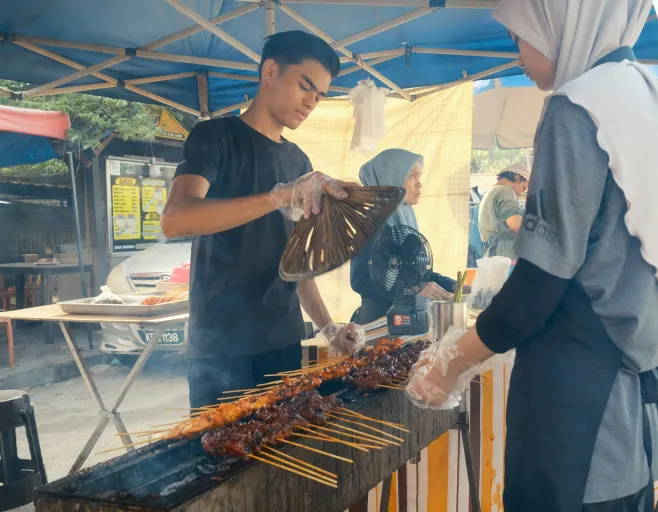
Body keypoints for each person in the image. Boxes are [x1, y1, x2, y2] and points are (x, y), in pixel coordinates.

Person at [405, 1, 658, 511]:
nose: (517, 55)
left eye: (519, 37)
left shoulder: (576, 107)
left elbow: (537, 287)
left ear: (560, 19)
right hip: (632, 425)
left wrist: (451, 363)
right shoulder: (649, 97)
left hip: (577, 423)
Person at [161, 30, 363, 408]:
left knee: (282, 455)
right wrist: (275, 197)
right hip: (221, 347)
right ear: (270, 70)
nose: (311, 102)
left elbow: (295, 262)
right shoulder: (215, 137)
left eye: (319, 95)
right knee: (220, 463)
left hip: (284, 342)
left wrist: (328, 326)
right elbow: (176, 219)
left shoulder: (298, 162)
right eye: (305, 87)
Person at [349, 149, 458, 324]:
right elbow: (360, 280)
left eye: (419, 176)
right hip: (378, 324)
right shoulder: (372, 223)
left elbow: (417, 274)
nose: (419, 184)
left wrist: (454, 285)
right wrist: (413, 289)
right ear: (390, 179)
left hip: (406, 321)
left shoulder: (405, 218)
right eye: (412, 176)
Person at [478, 166, 528, 259]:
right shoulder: (506, 190)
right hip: (505, 252)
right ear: (517, 178)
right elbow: (515, 224)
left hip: (493, 252)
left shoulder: (490, 192)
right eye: (523, 187)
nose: (521, 193)